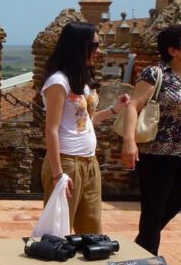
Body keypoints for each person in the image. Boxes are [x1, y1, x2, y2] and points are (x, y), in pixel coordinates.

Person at [121, 24, 181, 255]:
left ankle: (138, 251)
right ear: (173, 50)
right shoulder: (155, 74)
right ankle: (147, 261)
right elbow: (134, 106)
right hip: (156, 154)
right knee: (153, 210)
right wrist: (129, 141)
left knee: (175, 205)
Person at [41, 21, 129, 234]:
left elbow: (85, 121)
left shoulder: (83, 81)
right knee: (58, 231)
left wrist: (114, 110)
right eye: (95, 45)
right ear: (78, 47)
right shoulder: (58, 82)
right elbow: (51, 130)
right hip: (67, 162)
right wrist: (57, 174)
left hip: (90, 163)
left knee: (91, 230)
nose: (99, 51)